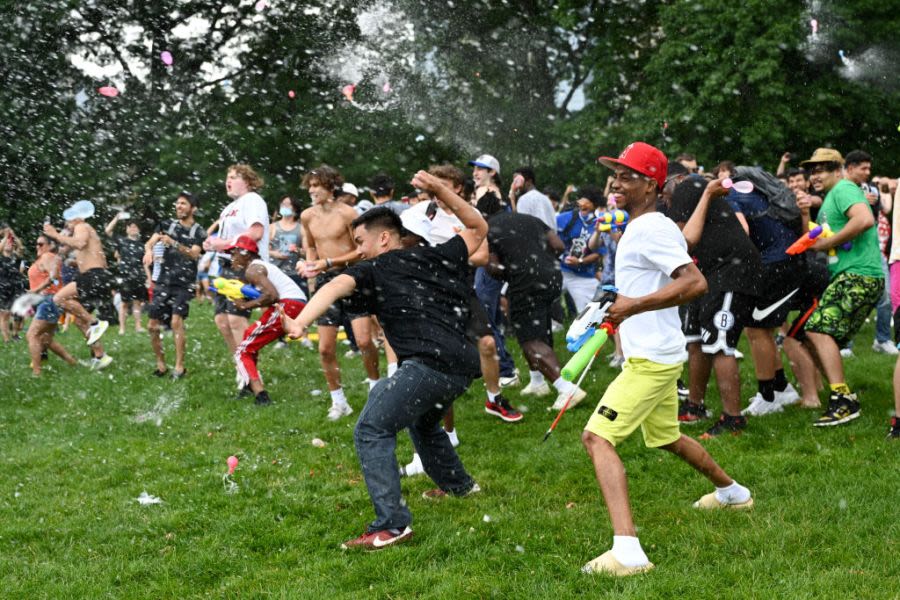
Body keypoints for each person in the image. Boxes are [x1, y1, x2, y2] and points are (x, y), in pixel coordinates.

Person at [283, 170, 487, 550]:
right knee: (424, 422)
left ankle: (392, 526)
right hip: (461, 365)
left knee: (371, 429)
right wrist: (442, 190)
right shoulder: (436, 255)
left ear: (385, 237)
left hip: (428, 365)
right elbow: (477, 225)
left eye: (361, 242)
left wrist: (300, 321)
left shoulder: (372, 268)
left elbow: (335, 284)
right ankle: (461, 487)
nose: (358, 250)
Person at [581, 142, 752, 576]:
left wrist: (630, 307)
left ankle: (628, 553)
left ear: (651, 185)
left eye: (627, 176)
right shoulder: (655, 225)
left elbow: (694, 282)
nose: (616, 183)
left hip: (651, 360)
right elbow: (687, 240)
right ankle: (733, 493)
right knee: (666, 438)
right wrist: (710, 196)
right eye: (615, 175)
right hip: (660, 352)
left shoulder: (649, 228)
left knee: (597, 437)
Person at [667, 176, 763, 437]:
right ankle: (694, 406)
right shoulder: (667, 200)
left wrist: (708, 193)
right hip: (709, 273)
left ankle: (733, 419)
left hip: (731, 271)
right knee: (696, 339)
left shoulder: (687, 188)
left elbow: (687, 240)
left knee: (720, 344)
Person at [800, 148, 884, 426]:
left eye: (821, 170)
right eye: (812, 171)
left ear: (839, 170)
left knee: (817, 329)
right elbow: (816, 234)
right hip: (852, 275)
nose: (815, 176)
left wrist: (828, 243)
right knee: (811, 336)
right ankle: (843, 395)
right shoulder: (830, 199)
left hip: (859, 274)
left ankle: (842, 400)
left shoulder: (844, 189)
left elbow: (864, 219)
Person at [485, 198, 589, 412]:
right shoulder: (530, 219)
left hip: (525, 281)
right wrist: (542, 263)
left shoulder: (488, 228)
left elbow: (494, 268)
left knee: (529, 339)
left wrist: (508, 270)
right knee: (540, 327)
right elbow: (558, 245)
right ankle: (538, 382)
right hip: (552, 276)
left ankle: (566, 388)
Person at [299, 165, 381, 420]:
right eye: (310, 186)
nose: (312, 190)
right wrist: (310, 266)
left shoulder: (348, 213)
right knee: (325, 348)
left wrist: (329, 262)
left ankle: (376, 390)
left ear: (330, 187)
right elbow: (311, 247)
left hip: (352, 276)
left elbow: (361, 250)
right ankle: (339, 401)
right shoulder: (307, 216)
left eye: (316, 186)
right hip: (325, 280)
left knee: (365, 341)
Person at [229, 235, 307, 406]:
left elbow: (272, 295)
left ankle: (260, 394)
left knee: (242, 350)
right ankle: (250, 385)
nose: (232, 257)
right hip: (295, 303)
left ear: (246, 254)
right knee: (249, 339)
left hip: (288, 304)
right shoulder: (258, 266)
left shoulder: (253, 269)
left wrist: (245, 305)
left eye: (235, 252)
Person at [203, 164, 270, 355]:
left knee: (235, 319)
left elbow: (255, 233)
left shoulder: (252, 199)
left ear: (247, 182)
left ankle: (251, 372)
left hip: (246, 263)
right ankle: (240, 363)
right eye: (227, 177)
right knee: (222, 320)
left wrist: (223, 244)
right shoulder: (229, 208)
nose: (228, 181)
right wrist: (213, 243)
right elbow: (227, 238)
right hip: (226, 264)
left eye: (234, 177)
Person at [42, 200, 114, 368]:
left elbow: (80, 243)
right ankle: (99, 356)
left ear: (76, 218)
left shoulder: (82, 226)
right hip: (96, 275)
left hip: (92, 275)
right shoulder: (87, 229)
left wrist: (55, 235)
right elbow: (84, 251)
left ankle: (96, 323)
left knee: (58, 299)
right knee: (79, 321)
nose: (67, 223)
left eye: (68, 220)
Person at [143, 193, 206, 379]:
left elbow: (194, 254)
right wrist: (148, 251)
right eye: (177, 203)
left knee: (176, 322)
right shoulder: (166, 225)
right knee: (152, 326)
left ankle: (179, 366)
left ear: (193, 208)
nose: (179, 206)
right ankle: (161, 364)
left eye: (183, 203)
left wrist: (174, 243)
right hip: (163, 281)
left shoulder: (198, 231)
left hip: (184, 283)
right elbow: (150, 242)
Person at [844, 150, 897, 356]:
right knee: (852, 297)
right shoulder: (841, 189)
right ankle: (845, 344)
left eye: (869, 168)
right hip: (850, 249)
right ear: (850, 168)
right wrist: (860, 201)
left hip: (873, 247)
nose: (867, 172)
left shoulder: (871, 187)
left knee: (885, 295)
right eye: (863, 168)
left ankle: (882, 339)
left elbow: (880, 213)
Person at [25, 235, 78, 376]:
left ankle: (36, 372)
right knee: (45, 339)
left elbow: (53, 278)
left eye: (41, 244)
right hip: (47, 301)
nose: (38, 246)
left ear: (50, 246)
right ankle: (72, 361)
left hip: (48, 300)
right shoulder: (43, 258)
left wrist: (36, 290)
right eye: (37, 244)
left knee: (32, 335)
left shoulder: (48, 256)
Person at [556, 186, 603, 313]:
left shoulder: (598, 224)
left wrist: (580, 261)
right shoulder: (566, 218)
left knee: (590, 315)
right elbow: (550, 237)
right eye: (581, 199)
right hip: (559, 270)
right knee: (541, 300)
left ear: (594, 204)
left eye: (587, 200)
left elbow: (597, 254)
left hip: (583, 276)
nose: (582, 203)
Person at [104, 212, 147, 334]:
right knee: (124, 303)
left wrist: (147, 277)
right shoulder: (121, 241)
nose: (133, 229)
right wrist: (116, 218)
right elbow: (107, 231)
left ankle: (138, 326)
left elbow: (144, 263)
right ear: (126, 229)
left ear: (138, 230)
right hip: (125, 276)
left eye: (135, 227)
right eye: (130, 227)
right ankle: (122, 328)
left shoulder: (141, 245)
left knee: (137, 303)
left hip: (138, 276)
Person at [0, 225, 26, 342]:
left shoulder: (16, 257)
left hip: (16, 288)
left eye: (10, 243)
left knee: (19, 313)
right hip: (3, 288)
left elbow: (21, 248)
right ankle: (7, 339)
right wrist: (5, 236)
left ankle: (15, 334)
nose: (9, 244)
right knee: (4, 315)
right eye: (6, 243)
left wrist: (13, 235)